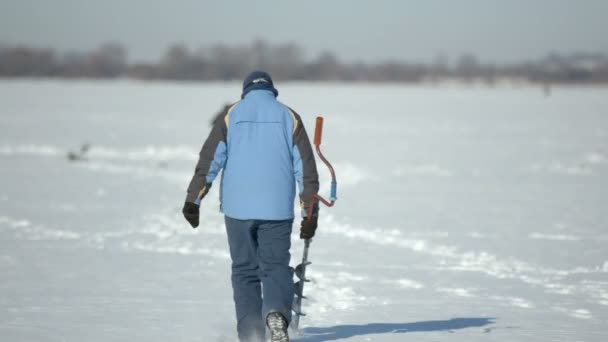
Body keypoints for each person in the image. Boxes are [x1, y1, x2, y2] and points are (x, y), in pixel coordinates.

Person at [182, 71, 320, 342]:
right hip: (276, 209)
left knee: (244, 270)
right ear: (272, 90)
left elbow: (210, 159)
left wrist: (193, 199)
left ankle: (250, 333)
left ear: (245, 91)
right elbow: (305, 168)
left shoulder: (230, 115)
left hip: (238, 209)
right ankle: (277, 315)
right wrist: (309, 211)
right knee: (275, 266)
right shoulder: (288, 116)